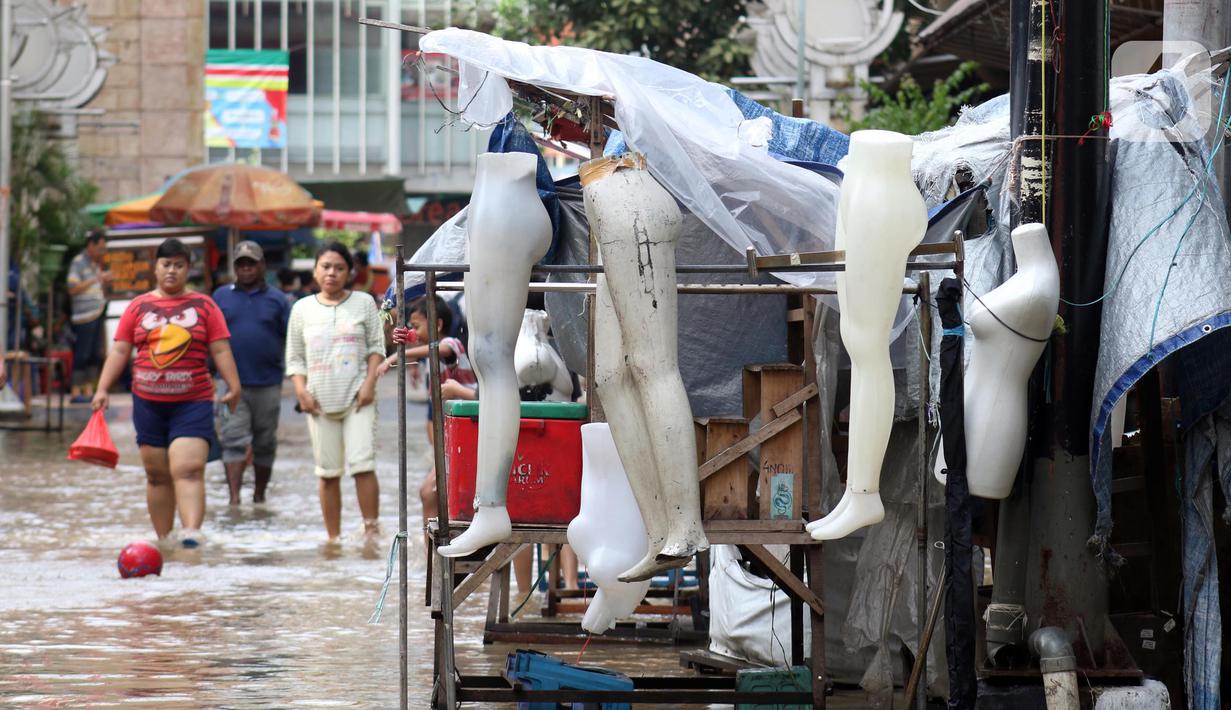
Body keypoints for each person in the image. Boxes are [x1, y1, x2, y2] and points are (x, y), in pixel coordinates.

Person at [92, 238, 242, 547]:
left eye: (178, 265)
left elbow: (221, 349)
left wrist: (233, 385)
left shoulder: (204, 306)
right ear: (155, 268)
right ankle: (163, 541)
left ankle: (190, 535)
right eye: (166, 264)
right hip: (148, 403)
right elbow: (120, 350)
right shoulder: (138, 307)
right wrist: (102, 388)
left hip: (193, 401)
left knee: (187, 469)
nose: (171, 271)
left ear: (188, 269)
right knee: (157, 475)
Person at [285, 242, 385, 544]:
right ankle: (334, 539)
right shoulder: (301, 309)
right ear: (315, 271)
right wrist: (301, 392)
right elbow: (295, 358)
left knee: (363, 465)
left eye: (339, 267)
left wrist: (369, 385)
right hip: (317, 400)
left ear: (349, 273)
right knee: (327, 473)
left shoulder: (365, 302)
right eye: (326, 266)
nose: (332, 273)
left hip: (358, 397)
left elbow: (376, 347)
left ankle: (371, 532)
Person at [212, 241, 290, 505]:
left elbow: (288, 337)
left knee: (265, 442)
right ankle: (234, 499)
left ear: (262, 266)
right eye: (241, 264)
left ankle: (259, 496)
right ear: (235, 267)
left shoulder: (278, 300)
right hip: (231, 383)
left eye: (251, 263)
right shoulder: (220, 297)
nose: (246, 269)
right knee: (232, 439)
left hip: (268, 382)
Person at [67, 230, 113, 403]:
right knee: (82, 354)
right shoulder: (78, 262)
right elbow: (72, 288)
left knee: (94, 354)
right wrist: (96, 279)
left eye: (104, 249)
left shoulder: (97, 264)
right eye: (100, 248)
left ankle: (88, 391)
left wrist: (104, 282)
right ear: (90, 245)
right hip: (83, 316)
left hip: (97, 312)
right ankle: (75, 391)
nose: (102, 252)